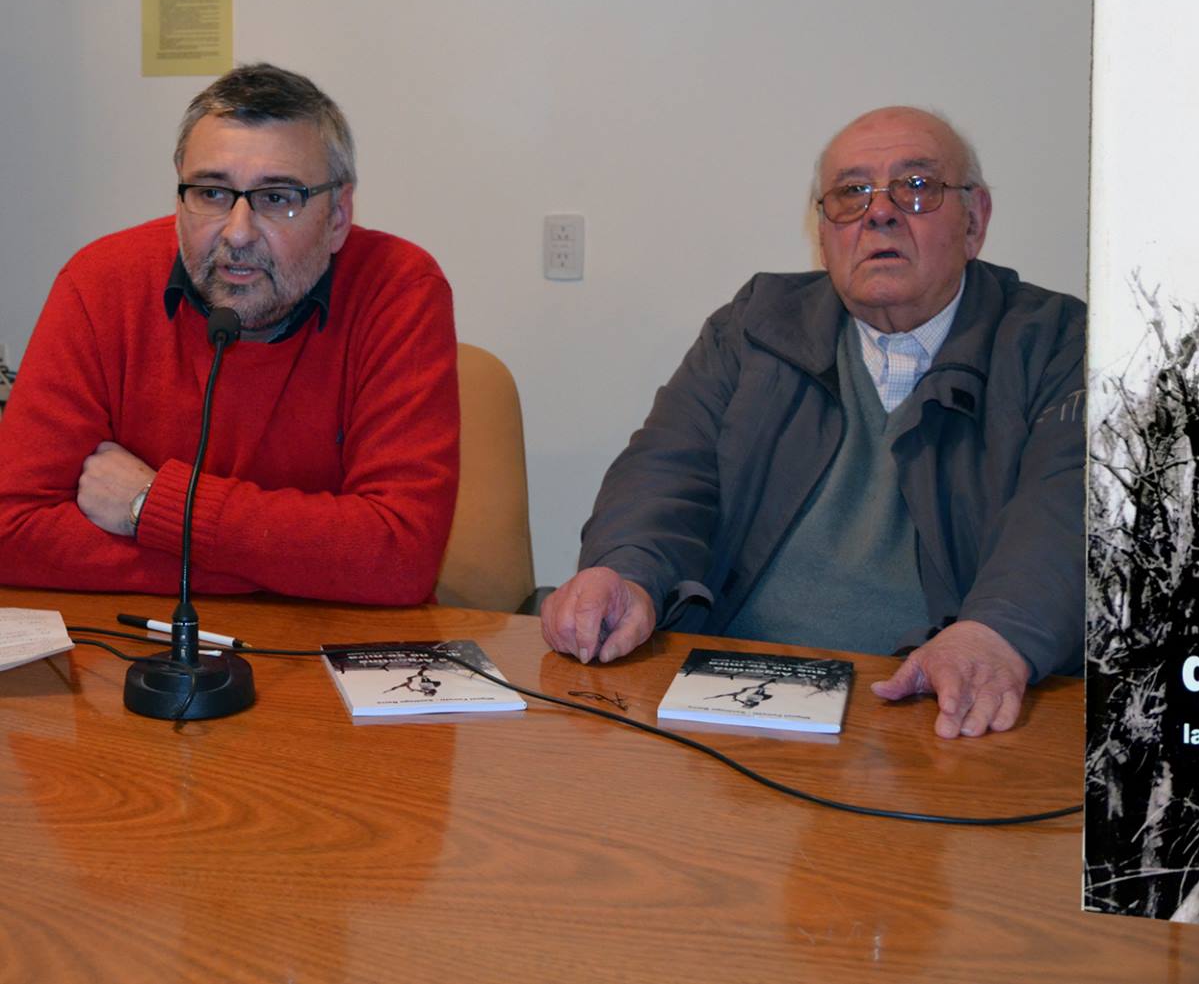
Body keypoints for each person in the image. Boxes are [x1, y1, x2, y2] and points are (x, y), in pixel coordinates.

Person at [542, 106, 1084, 739]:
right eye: (852, 193)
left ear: (975, 220)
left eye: (916, 186)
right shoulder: (755, 325)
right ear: (823, 233)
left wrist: (997, 632)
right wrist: (626, 571)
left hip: (937, 706)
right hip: (733, 694)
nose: (879, 213)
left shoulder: (1056, 342)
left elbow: (1066, 512)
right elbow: (667, 469)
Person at [0, 64, 460, 604]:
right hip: (142, 642)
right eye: (212, 193)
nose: (238, 233)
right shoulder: (100, 283)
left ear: (338, 216)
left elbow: (400, 556)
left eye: (277, 197)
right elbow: (12, 528)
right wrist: (289, 566)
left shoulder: (399, 289)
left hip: (328, 642)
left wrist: (152, 504)